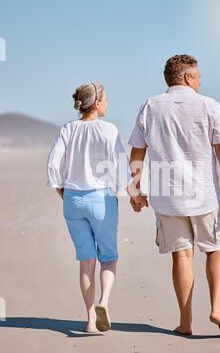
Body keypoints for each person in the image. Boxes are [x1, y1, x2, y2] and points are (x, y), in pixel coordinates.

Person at [128, 55, 220, 335]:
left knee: (182, 256)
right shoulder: (209, 105)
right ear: (188, 77)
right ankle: (217, 308)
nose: (201, 80)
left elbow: (137, 153)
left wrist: (136, 190)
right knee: (215, 248)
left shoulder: (150, 106)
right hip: (204, 195)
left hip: (168, 196)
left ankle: (186, 322)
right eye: (198, 76)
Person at [47, 82, 147, 333]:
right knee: (109, 257)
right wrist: (135, 197)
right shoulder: (108, 130)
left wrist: (62, 189)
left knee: (86, 260)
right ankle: (104, 302)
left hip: (72, 199)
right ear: (98, 102)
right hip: (101, 200)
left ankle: (91, 321)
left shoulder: (68, 129)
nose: (108, 104)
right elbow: (121, 169)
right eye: (107, 99)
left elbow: (53, 164)